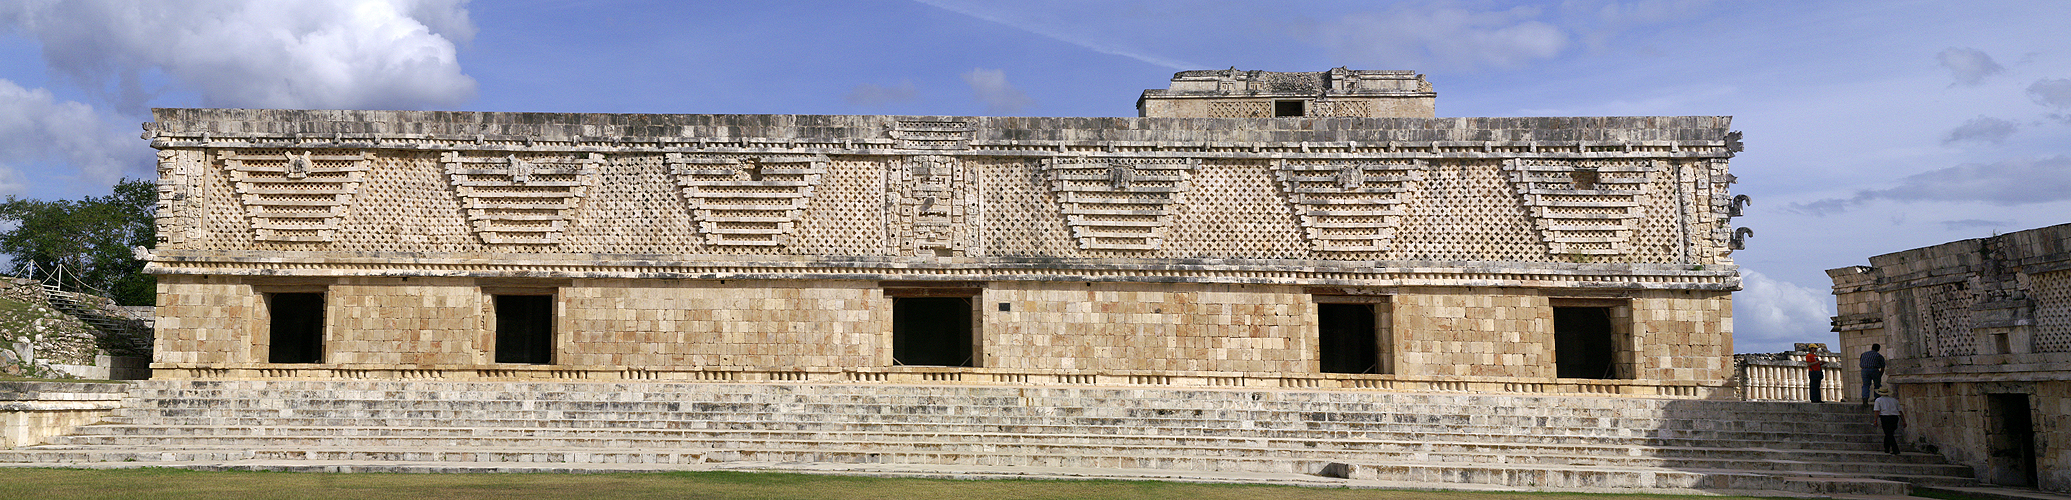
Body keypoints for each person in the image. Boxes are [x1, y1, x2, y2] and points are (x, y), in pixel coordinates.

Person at [1874, 387, 1903, 454]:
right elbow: (1900, 411)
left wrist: (1875, 420)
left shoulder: (1878, 400)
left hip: (1885, 418)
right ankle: (1886, 448)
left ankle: (1895, 449)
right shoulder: (1894, 400)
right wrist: (1903, 420)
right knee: (1889, 433)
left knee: (1889, 434)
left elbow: (1877, 411)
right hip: (1895, 418)